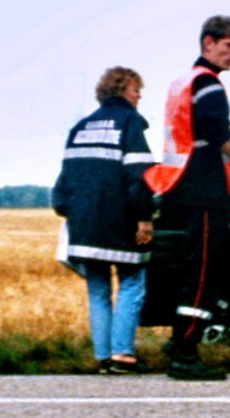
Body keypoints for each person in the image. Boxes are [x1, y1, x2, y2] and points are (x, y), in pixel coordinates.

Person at [144, 15, 230, 381]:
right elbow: (220, 138)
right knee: (204, 271)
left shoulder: (184, 82)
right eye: (229, 46)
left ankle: (179, 341)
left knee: (192, 267)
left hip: (181, 186)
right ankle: (185, 352)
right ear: (208, 43)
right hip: (205, 188)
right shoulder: (209, 85)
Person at [53, 66, 157, 373]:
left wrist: (70, 212)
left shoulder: (80, 127)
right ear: (124, 90)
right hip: (120, 221)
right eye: (137, 91)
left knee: (97, 289)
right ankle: (122, 355)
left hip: (83, 225)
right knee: (132, 283)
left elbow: (63, 185)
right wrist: (144, 217)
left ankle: (102, 358)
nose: (139, 98)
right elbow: (139, 176)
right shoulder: (130, 123)